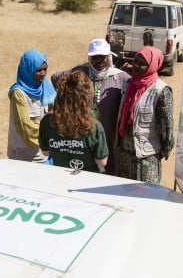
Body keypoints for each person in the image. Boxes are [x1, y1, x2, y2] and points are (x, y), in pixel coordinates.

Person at [51, 38, 131, 175]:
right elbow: (55, 78)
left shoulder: (121, 77)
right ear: (89, 58)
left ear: (109, 56)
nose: (99, 61)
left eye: (103, 57)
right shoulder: (80, 72)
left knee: (108, 168)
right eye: (94, 57)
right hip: (83, 135)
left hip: (109, 134)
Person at [117, 46, 174, 185]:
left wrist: (165, 150)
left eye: (142, 63)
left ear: (153, 65)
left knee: (147, 198)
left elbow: (166, 126)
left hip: (146, 157)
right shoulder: (129, 84)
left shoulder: (161, 91)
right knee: (123, 196)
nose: (136, 66)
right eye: (135, 61)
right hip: (124, 154)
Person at [39, 71, 109, 173]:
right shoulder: (95, 126)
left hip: (60, 177)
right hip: (89, 179)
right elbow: (102, 162)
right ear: (86, 98)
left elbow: (45, 153)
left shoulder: (47, 121)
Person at [7, 49, 56, 163]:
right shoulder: (18, 93)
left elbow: (56, 111)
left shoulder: (46, 87)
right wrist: (51, 132)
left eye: (45, 69)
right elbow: (25, 127)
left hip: (46, 154)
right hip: (24, 157)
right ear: (27, 70)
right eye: (38, 70)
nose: (43, 73)